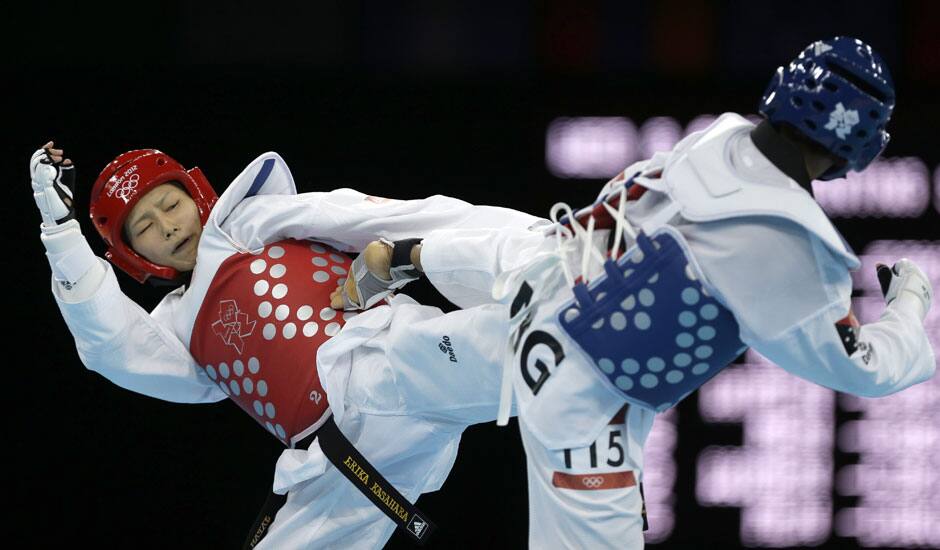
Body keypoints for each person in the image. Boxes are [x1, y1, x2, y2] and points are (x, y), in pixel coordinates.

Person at [337, 36, 936, 548]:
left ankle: (390, 276)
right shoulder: (793, 246)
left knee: (494, 269)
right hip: (587, 401)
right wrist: (911, 299)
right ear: (859, 145)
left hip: (538, 301)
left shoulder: (717, 137)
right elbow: (862, 369)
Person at [30, 143, 542, 548]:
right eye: (144, 227)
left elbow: (396, 220)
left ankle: (585, 286)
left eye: (171, 205)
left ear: (197, 194)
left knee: (533, 348)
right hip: (339, 464)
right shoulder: (175, 330)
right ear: (130, 256)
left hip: (384, 362)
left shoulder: (253, 222)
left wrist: (535, 242)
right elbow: (110, 345)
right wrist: (60, 233)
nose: (167, 226)